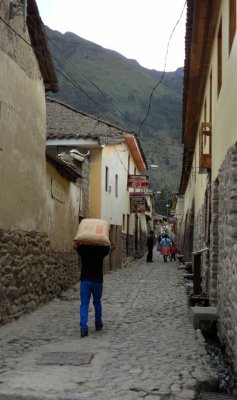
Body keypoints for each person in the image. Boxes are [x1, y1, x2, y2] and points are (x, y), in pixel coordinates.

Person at [73, 239, 115, 338]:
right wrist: (108, 235)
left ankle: (83, 329)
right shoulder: (102, 249)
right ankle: (98, 324)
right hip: (97, 281)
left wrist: (79, 239)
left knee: (84, 304)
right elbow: (114, 247)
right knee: (97, 302)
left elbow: (74, 246)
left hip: (85, 281)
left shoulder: (83, 248)